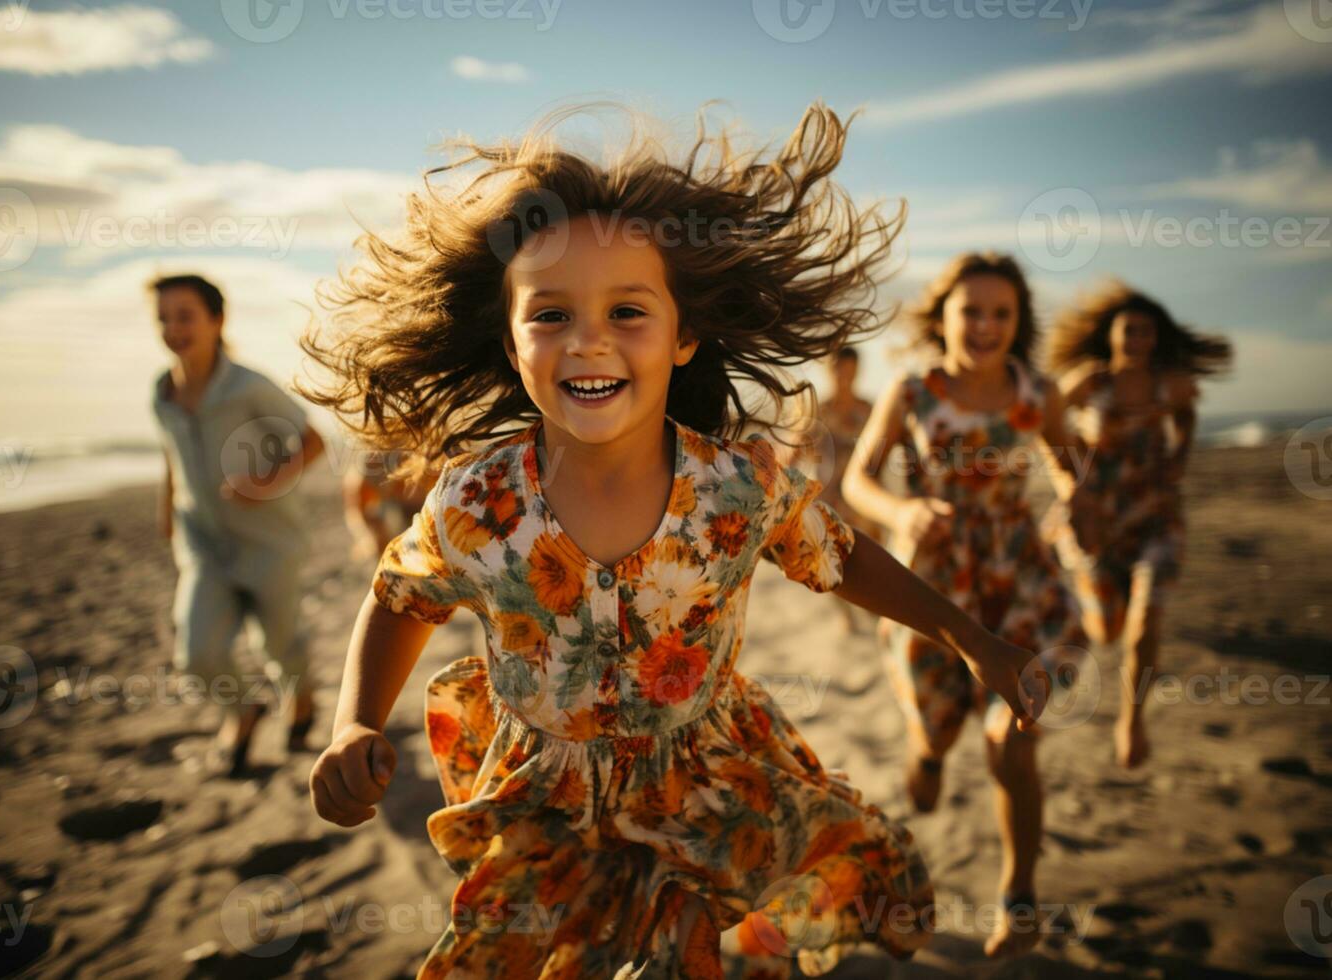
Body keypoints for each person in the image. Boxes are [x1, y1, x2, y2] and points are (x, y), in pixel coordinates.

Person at [300, 104, 1047, 977]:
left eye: (627, 311)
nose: (589, 338)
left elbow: (843, 558)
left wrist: (971, 638)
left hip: (705, 785)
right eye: (550, 315)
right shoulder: (477, 501)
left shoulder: (734, 488)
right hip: (546, 809)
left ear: (684, 336)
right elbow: (399, 600)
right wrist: (353, 723)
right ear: (510, 342)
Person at [842, 251, 1089, 958]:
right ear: (944, 316)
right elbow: (859, 480)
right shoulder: (913, 390)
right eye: (971, 311)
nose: (985, 326)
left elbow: (1072, 466)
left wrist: (1075, 504)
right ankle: (927, 754)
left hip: (1020, 584)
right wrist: (902, 508)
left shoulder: (1035, 394)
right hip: (932, 587)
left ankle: (1020, 895)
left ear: (1018, 322)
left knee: (1010, 736)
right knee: (938, 734)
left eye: (1001, 313)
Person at [1045, 282, 1231, 769]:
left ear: (1155, 339)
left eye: (1145, 332)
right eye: (1128, 330)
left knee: (1146, 620)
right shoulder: (1089, 381)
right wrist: (1069, 481)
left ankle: (1132, 720)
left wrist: (1179, 458)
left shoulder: (1171, 385)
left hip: (1155, 515)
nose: (1136, 340)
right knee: (1106, 631)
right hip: (1095, 520)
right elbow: (1046, 424)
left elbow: (1187, 418)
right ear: (1111, 335)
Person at [150, 273, 325, 777]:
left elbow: (312, 442)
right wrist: (167, 514)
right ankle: (242, 712)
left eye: (185, 316)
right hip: (202, 544)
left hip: (271, 543)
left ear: (217, 320)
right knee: (197, 653)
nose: (173, 328)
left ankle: (303, 701)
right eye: (164, 318)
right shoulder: (161, 394)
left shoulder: (250, 387)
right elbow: (171, 456)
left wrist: (265, 483)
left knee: (279, 647)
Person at [775, 347, 884, 637]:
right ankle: (846, 614)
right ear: (829, 371)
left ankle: (876, 609)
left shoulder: (868, 410)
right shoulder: (817, 412)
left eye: (849, 369)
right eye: (838, 369)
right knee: (832, 563)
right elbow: (791, 455)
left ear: (857, 370)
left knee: (871, 559)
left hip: (864, 500)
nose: (843, 376)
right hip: (828, 500)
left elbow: (884, 451)